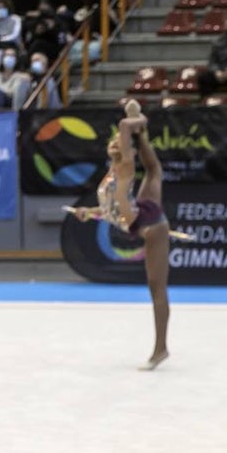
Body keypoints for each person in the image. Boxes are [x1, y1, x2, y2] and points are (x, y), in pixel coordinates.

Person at [68, 101, 173, 370]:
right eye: (113, 141)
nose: (116, 142)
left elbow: (126, 126)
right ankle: (141, 133)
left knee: (156, 288)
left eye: (121, 141)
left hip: (152, 228)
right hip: (139, 217)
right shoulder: (112, 173)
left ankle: (161, 349)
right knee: (154, 173)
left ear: (130, 150)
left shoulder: (126, 166)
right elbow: (112, 208)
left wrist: (136, 122)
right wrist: (89, 212)